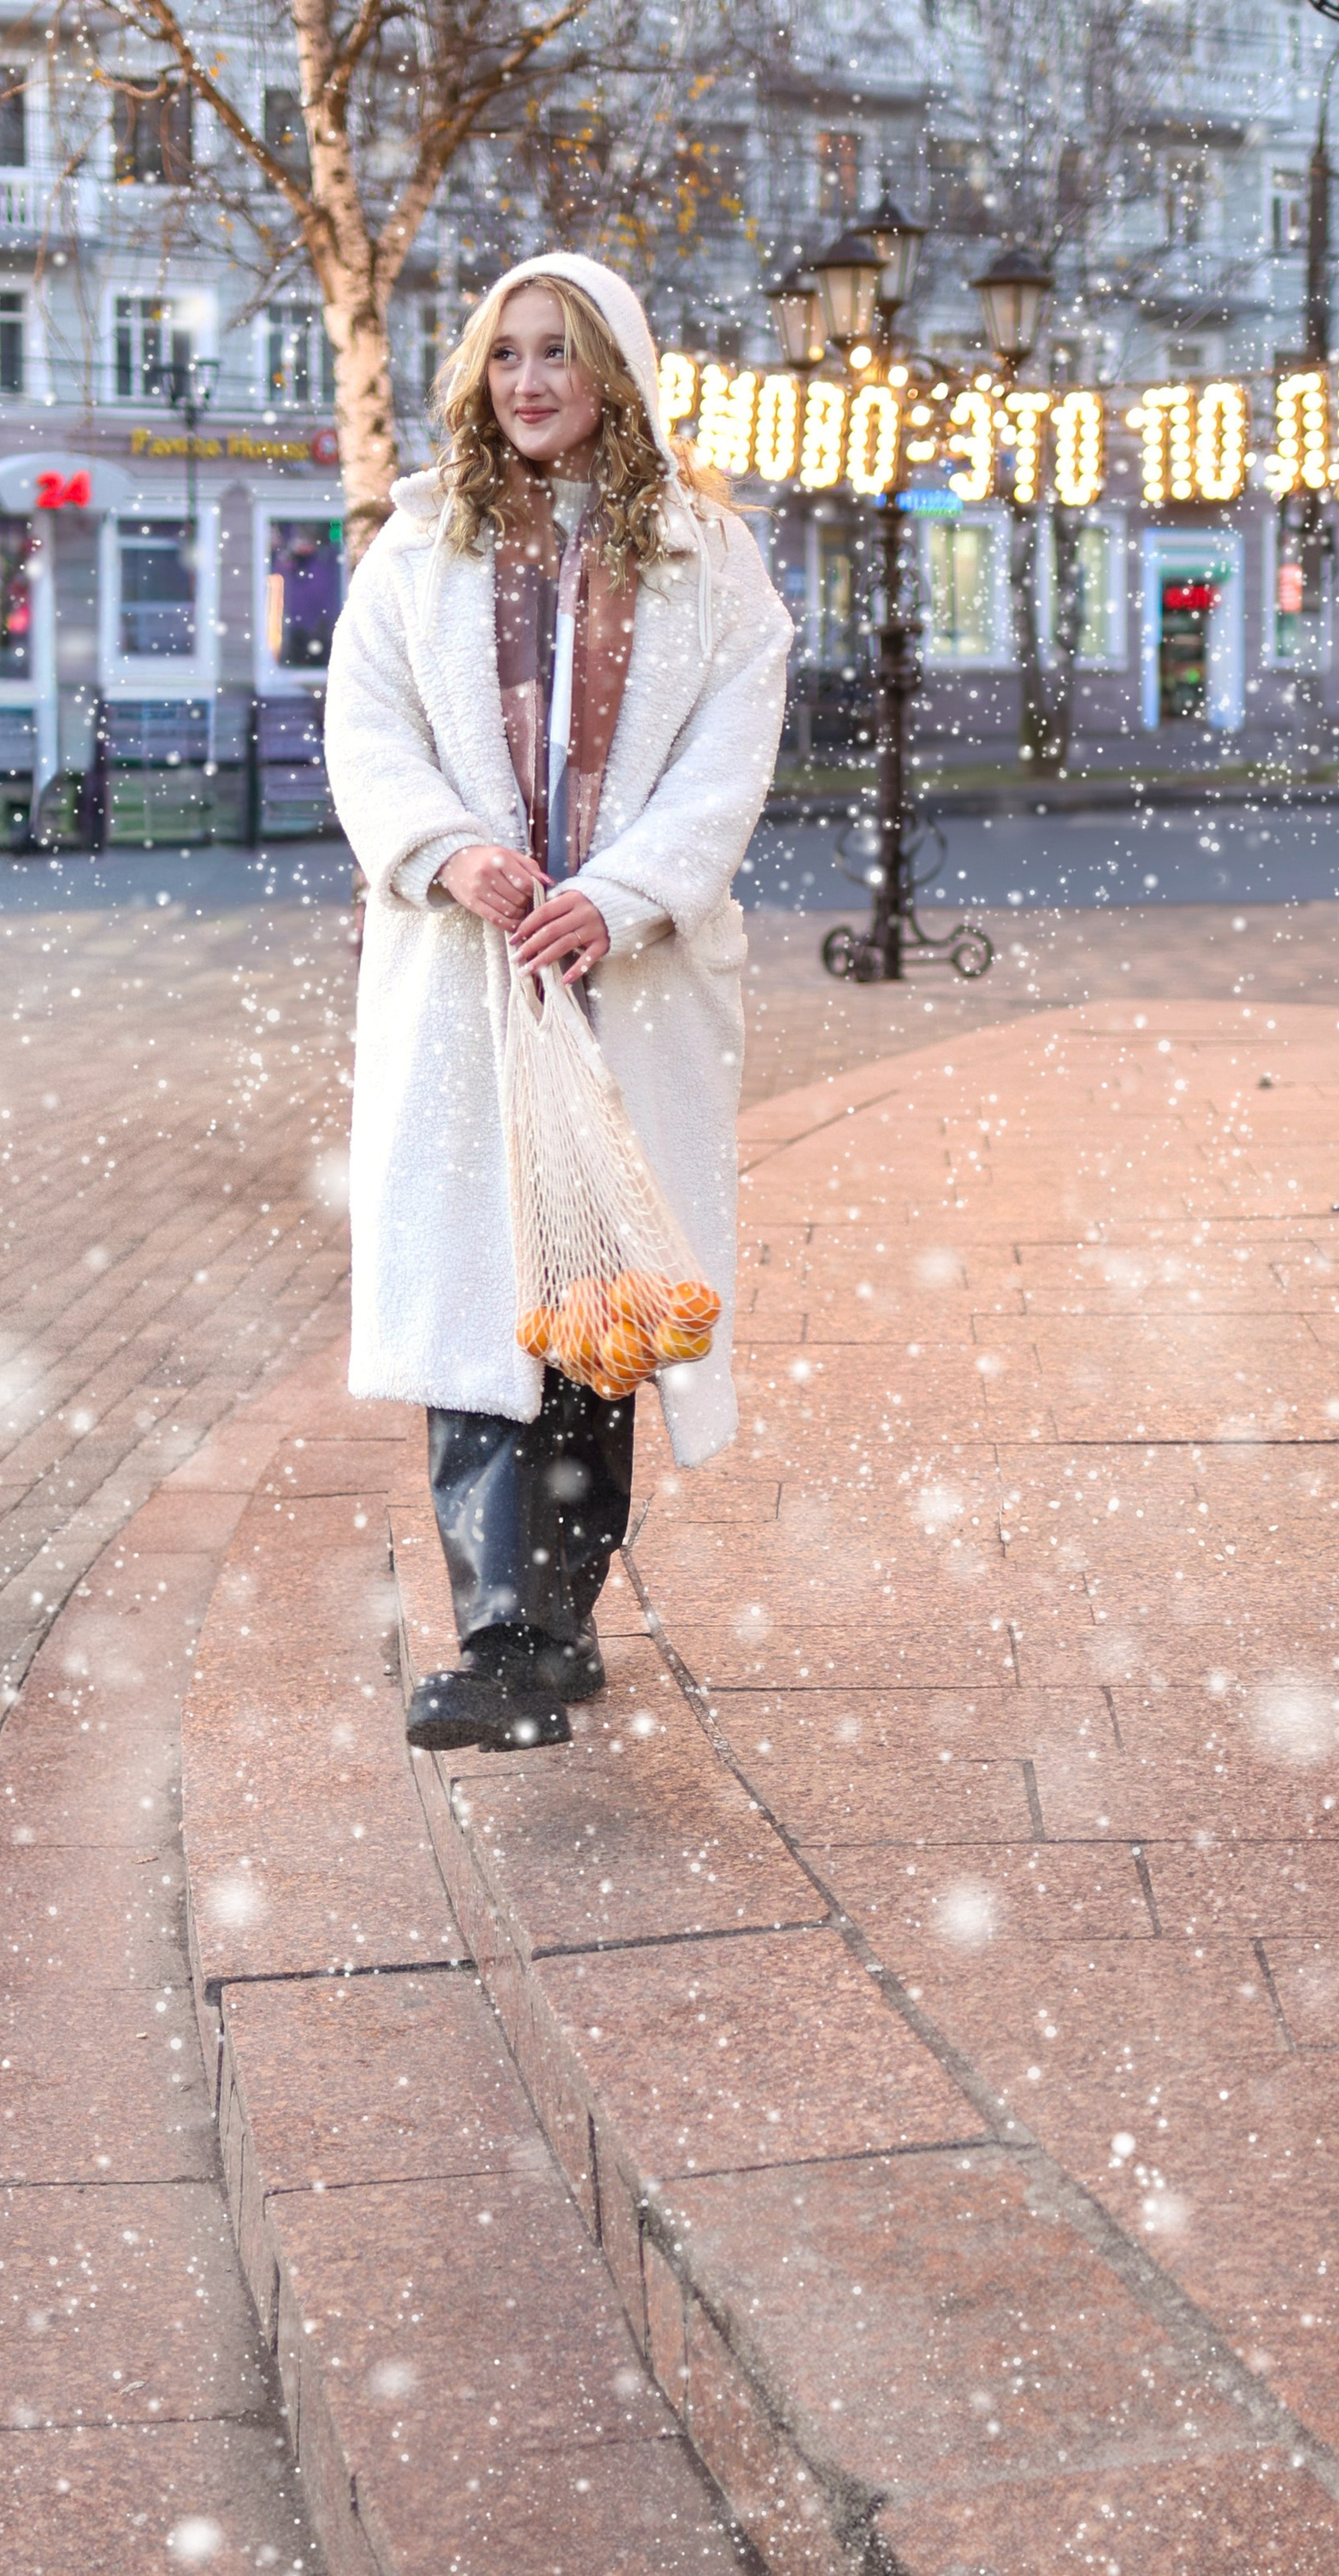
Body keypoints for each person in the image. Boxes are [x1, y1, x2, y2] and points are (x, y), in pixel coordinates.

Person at [324, 251, 793, 1752]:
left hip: (624, 988)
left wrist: (631, 888)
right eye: (508, 352)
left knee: (598, 1315)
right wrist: (450, 851)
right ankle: (501, 1631)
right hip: (472, 985)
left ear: (616, 373)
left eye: (560, 352)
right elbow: (369, 730)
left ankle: (561, 1623)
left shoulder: (709, 563)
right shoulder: (416, 551)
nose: (530, 380)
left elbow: (731, 753)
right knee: (480, 1310)